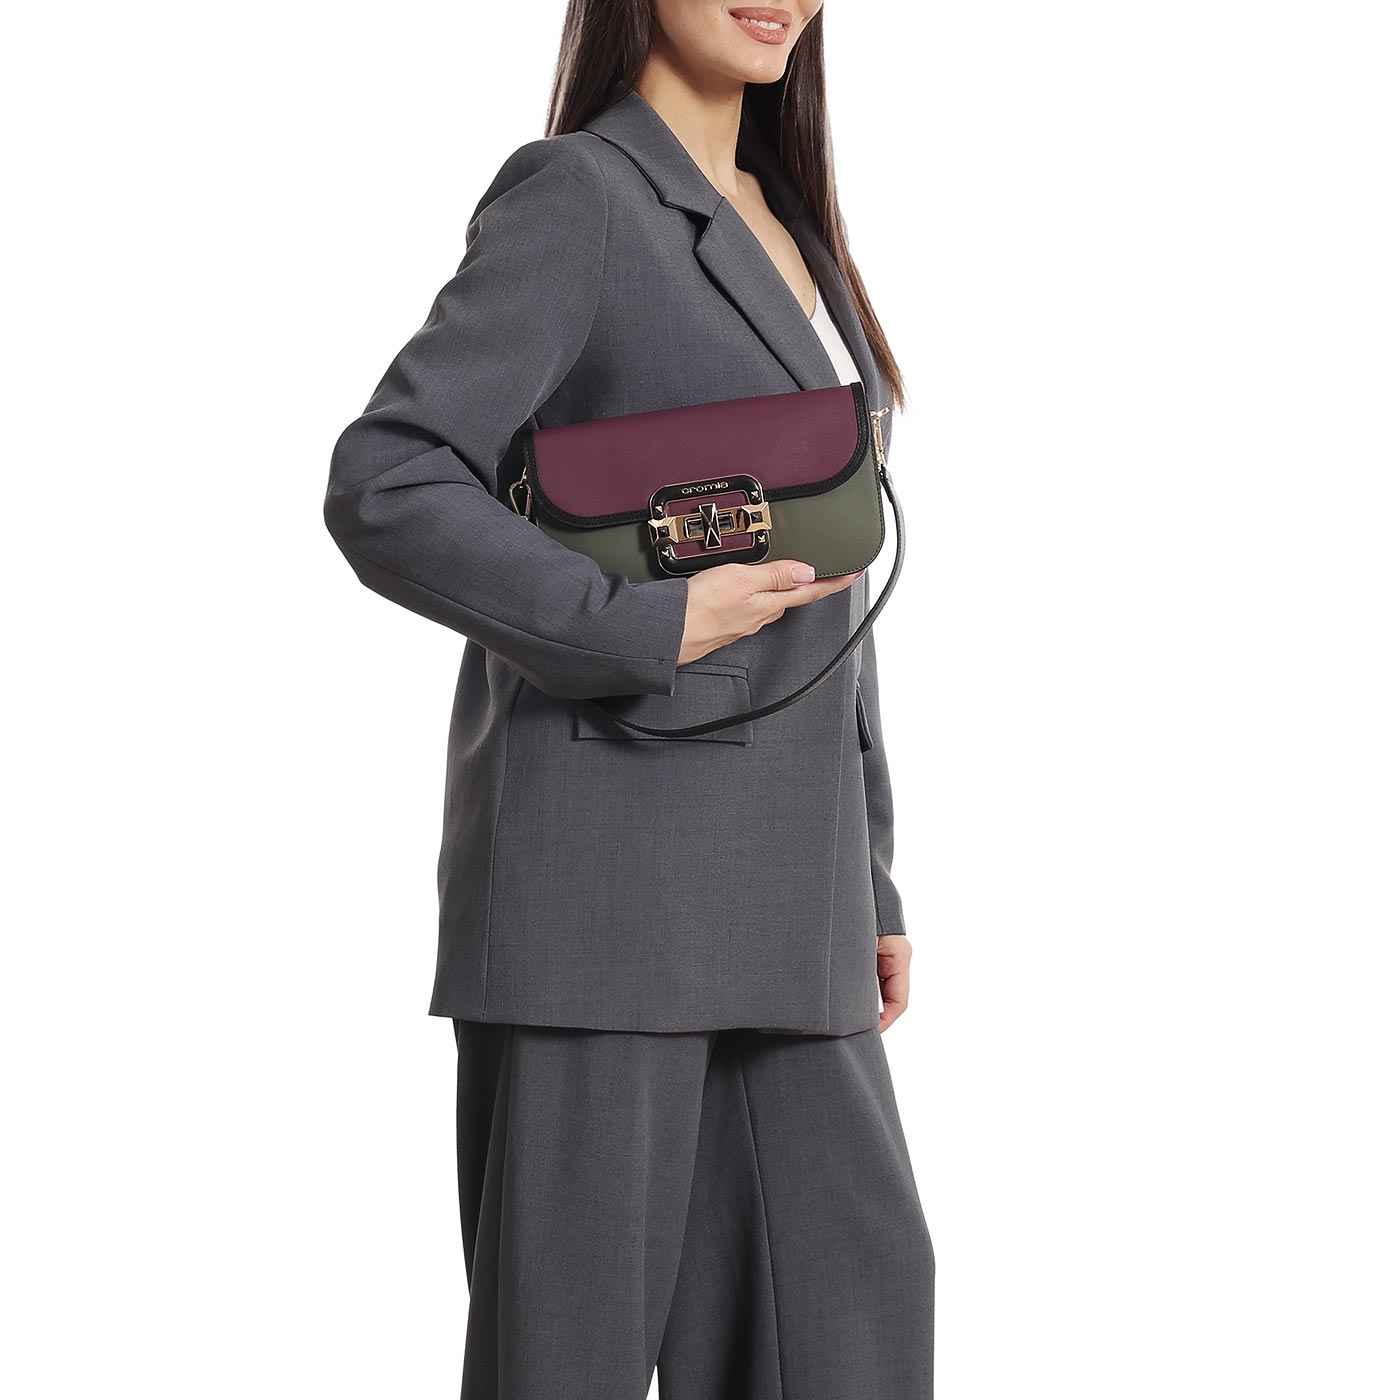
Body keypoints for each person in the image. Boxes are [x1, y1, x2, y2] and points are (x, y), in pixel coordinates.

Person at [324, 3, 934, 1395]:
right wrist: (638, 623)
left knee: (855, 1320)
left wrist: (872, 876)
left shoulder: (793, 224)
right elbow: (387, 478)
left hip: (797, 901)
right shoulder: (581, 195)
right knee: (570, 1358)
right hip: (604, 886)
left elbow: (827, 576)